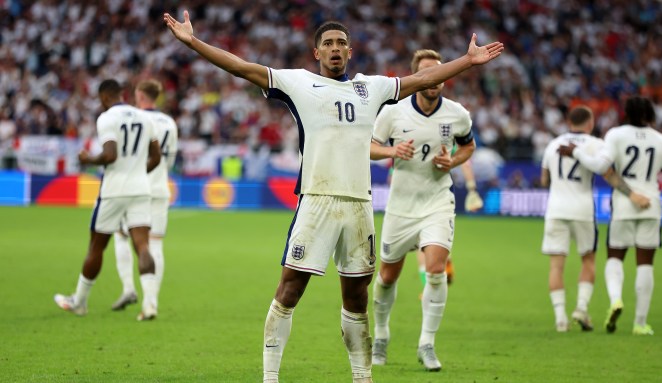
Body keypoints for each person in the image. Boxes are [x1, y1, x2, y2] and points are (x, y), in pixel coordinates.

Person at [164, 11, 503, 383]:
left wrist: (467, 62)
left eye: (341, 42)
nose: (335, 48)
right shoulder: (298, 83)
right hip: (316, 200)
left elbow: (422, 78)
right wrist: (193, 43)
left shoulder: (370, 88)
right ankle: (270, 377)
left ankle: (362, 377)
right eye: (328, 43)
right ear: (316, 53)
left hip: (359, 205)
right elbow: (242, 68)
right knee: (290, 289)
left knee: (357, 298)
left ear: (351, 51)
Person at [369, 49, 477, 371]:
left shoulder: (457, 114)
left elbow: (469, 145)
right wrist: (391, 150)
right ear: (417, 77)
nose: (434, 80)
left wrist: (453, 161)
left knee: (435, 270)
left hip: (437, 202)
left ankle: (427, 343)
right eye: (428, 73)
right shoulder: (393, 113)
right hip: (401, 206)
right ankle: (382, 335)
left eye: (440, 73)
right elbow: (370, 146)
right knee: (387, 276)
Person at [559, 96, 662, 335]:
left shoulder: (616, 134)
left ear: (626, 113)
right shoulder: (661, 140)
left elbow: (600, 166)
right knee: (645, 264)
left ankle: (616, 299)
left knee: (615, 257)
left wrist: (577, 153)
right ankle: (640, 323)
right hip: (652, 205)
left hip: (624, 205)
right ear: (650, 115)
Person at [54, 79, 162, 321]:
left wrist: (88, 160)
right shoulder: (145, 117)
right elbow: (156, 158)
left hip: (114, 190)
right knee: (143, 245)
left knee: (97, 246)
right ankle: (150, 304)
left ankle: (80, 302)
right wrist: (136, 174)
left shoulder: (107, 118)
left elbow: (110, 155)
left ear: (104, 97)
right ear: (122, 95)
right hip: (140, 189)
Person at [541, 105, 650, 333]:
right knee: (588, 260)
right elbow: (608, 174)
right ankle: (581, 309)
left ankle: (561, 320)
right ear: (590, 123)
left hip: (556, 209)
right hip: (583, 210)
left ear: (569, 122)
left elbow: (544, 181)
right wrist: (632, 194)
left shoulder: (553, 144)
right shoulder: (596, 144)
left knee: (556, 266)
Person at [111, 79, 179, 314]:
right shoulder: (170, 122)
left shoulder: (133, 120)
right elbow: (169, 160)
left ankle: (129, 288)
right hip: (160, 187)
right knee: (156, 244)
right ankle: (151, 302)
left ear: (140, 95)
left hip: (134, 188)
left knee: (121, 235)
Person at [416, 159, 483, 288]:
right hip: (444, 194)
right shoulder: (450, 140)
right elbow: (466, 163)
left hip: (424, 193)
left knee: (421, 241)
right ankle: (446, 261)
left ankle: (428, 285)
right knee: (438, 235)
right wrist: (472, 189)